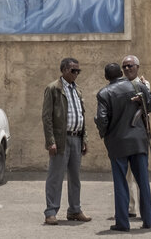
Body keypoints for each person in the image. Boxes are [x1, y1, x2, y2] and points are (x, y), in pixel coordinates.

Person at [94, 63, 151, 232]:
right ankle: (148, 221)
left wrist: (105, 133)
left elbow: (101, 119)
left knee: (121, 182)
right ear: (121, 73)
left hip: (117, 143)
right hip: (139, 141)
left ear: (106, 77)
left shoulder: (104, 93)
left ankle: (122, 223)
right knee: (143, 182)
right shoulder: (138, 86)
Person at [41, 57, 92, 225]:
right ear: (63, 70)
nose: (76, 73)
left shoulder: (77, 90)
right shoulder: (53, 88)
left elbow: (81, 115)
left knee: (75, 177)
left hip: (76, 138)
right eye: (73, 70)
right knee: (55, 176)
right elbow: (47, 117)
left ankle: (75, 210)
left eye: (78, 71)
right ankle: (51, 211)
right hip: (61, 139)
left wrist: (84, 138)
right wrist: (51, 141)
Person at [121, 54, 151, 218]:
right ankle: (130, 208)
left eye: (130, 66)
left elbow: (149, 106)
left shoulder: (143, 84)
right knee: (126, 175)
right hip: (123, 135)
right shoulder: (120, 86)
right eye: (125, 66)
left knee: (140, 175)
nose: (127, 69)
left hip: (139, 134)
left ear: (137, 67)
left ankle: (145, 210)